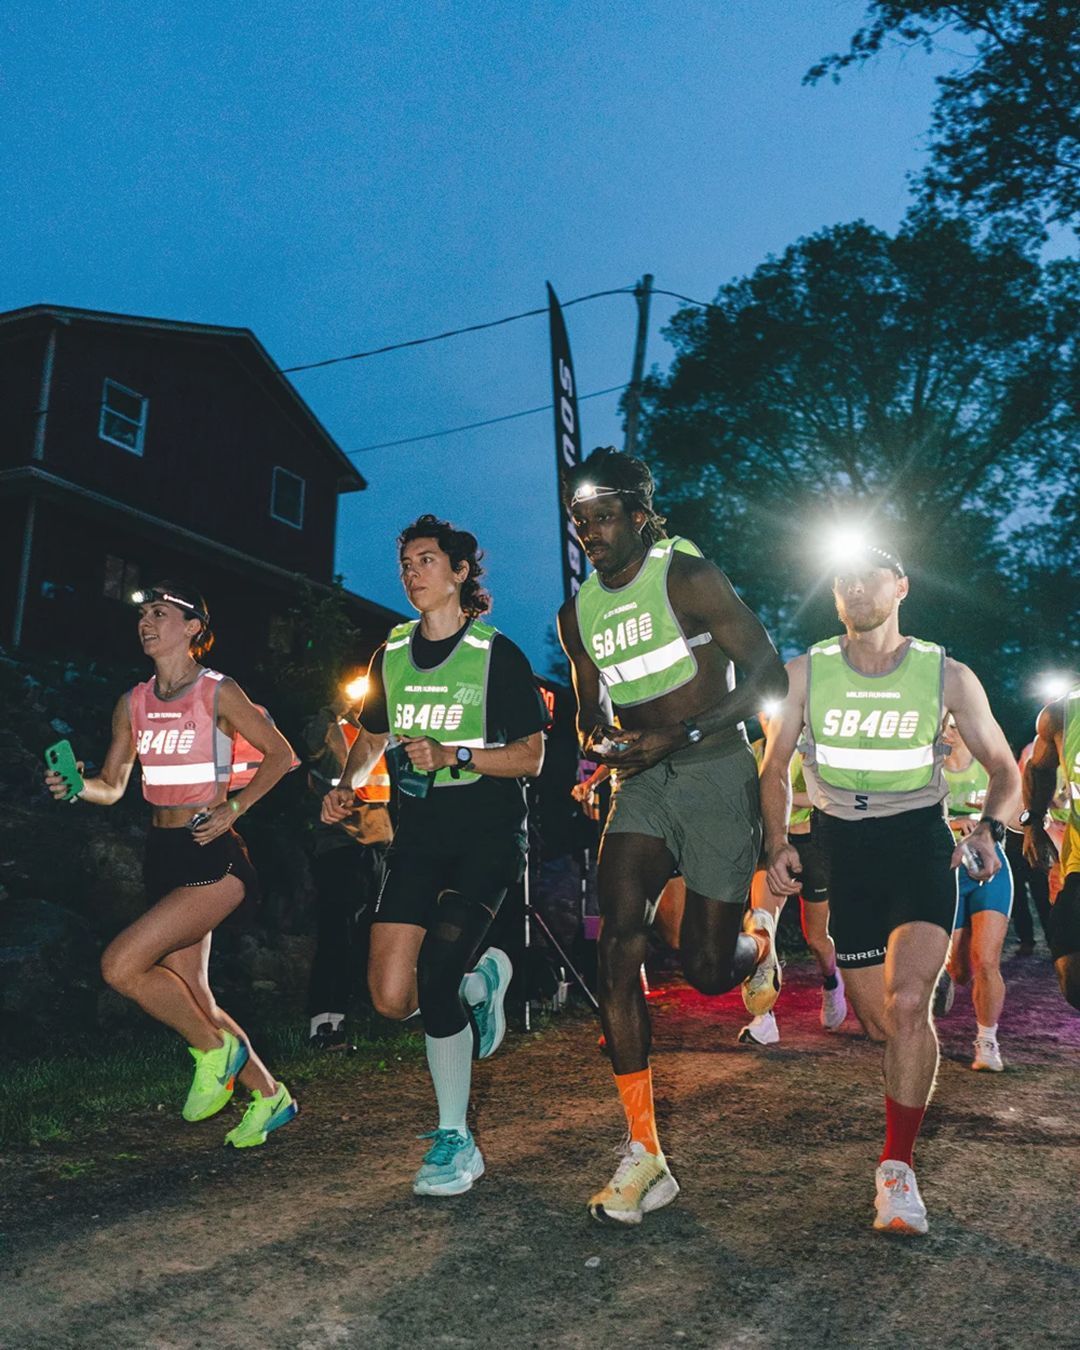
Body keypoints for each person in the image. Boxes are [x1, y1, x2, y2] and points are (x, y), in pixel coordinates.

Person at [760, 542, 1019, 1236]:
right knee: (880, 1023)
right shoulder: (805, 672)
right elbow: (775, 766)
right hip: (843, 850)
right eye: (840, 575)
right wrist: (779, 840)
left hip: (918, 844)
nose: (852, 585)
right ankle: (905, 1045)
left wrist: (990, 828)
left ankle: (897, 1172)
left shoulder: (946, 674)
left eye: (868, 573)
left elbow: (1004, 767)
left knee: (909, 1005)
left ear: (900, 585)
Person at [557, 447, 787, 1225]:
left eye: (602, 516)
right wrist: (597, 739)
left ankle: (758, 943)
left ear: (639, 512)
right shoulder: (576, 612)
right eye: (579, 520)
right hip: (641, 784)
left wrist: (679, 734)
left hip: (717, 768)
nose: (589, 531)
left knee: (710, 971)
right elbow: (590, 706)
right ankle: (643, 1153)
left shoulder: (688, 577)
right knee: (617, 933)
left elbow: (770, 676)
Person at [322, 515, 546, 1196]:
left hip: (485, 837)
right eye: (405, 563)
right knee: (391, 999)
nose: (412, 573)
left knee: (438, 971)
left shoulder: (495, 654)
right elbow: (372, 735)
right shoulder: (390, 652)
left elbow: (532, 756)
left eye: (426, 561)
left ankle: (456, 1141)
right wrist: (344, 786)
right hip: (418, 841)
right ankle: (486, 982)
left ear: (459, 573)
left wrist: (458, 755)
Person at [45, 582, 299, 1147]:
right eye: (142, 615)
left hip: (214, 856)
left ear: (193, 628)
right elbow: (112, 786)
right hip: (161, 856)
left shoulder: (217, 691)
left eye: (160, 613)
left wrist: (234, 807)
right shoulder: (131, 702)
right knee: (196, 998)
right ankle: (270, 1096)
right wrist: (75, 788)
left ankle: (214, 1051)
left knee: (120, 966)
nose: (147, 622)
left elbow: (282, 756)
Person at [739, 710, 846, 1045]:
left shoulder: (814, 750)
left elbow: (820, 796)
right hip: (773, 847)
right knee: (760, 924)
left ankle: (831, 982)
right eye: (766, 711)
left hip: (812, 846)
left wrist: (774, 790)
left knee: (816, 938)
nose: (772, 717)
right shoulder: (753, 750)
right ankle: (763, 1016)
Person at [302, 681, 392, 1049]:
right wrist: (334, 707)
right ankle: (325, 1023)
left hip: (381, 843)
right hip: (338, 843)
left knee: (380, 931)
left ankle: (378, 1009)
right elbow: (308, 745)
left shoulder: (377, 732)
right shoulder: (328, 727)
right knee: (337, 931)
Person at [935, 716, 1013, 1071]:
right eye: (944, 726)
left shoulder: (990, 767)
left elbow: (1015, 809)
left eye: (955, 725)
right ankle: (948, 977)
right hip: (947, 871)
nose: (949, 732)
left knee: (987, 959)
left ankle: (987, 1041)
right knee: (960, 968)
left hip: (990, 869)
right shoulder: (929, 768)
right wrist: (953, 823)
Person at [1020, 684, 1080, 1010]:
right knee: (1071, 976)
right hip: (1078, 862)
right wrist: (1033, 823)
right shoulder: (1062, 713)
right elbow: (1038, 768)